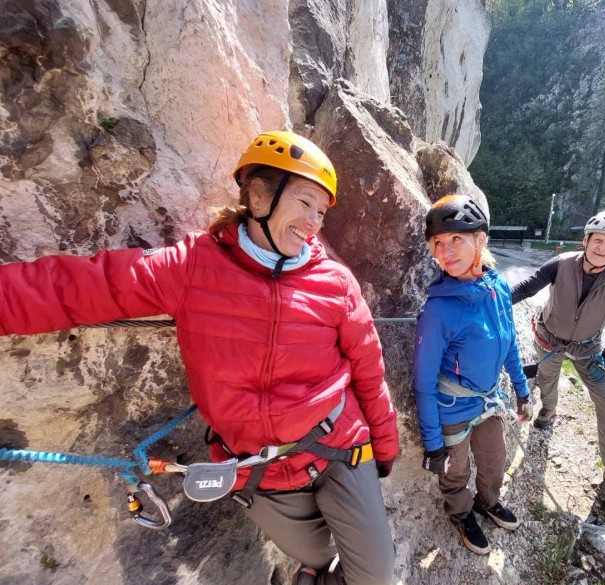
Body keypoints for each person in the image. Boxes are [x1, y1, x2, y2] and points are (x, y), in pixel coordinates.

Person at [0, 131, 399, 585]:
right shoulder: (192, 267)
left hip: (339, 447)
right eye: (305, 202)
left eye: (321, 212)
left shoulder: (334, 283)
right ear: (258, 194)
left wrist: (384, 448)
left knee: (375, 577)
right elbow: (84, 286)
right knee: (317, 552)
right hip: (257, 468)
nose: (313, 222)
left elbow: (369, 370)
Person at [413, 195, 532, 555]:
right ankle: (461, 512)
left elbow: (509, 343)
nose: (445, 252)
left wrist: (522, 390)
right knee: (455, 471)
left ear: (480, 240)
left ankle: (488, 500)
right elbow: (422, 382)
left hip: (490, 400)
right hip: (453, 408)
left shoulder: (496, 288)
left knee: (495, 459)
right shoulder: (438, 310)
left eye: (456, 240)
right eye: (438, 244)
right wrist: (433, 443)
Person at [511, 211, 605, 494]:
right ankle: (548, 410)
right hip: (549, 337)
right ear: (586, 240)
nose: (602, 247)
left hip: (589, 348)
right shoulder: (560, 264)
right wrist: (492, 301)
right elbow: (526, 288)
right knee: (547, 379)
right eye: (598, 240)